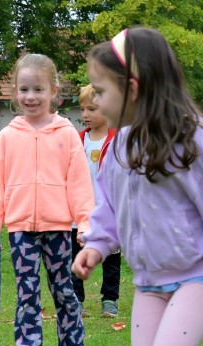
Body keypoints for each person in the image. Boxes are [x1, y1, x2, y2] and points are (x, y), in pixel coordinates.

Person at [73, 27, 203, 346]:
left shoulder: (189, 140)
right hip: (149, 282)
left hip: (195, 276)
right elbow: (109, 207)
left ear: (134, 87)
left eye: (100, 90)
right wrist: (97, 245)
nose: (95, 101)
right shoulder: (119, 145)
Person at [0, 53, 94, 346]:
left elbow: (79, 184)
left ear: (54, 91)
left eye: (38, 89)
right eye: (24, 89)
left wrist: (85, 223)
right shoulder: (7, 137)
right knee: (26, 295)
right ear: (15, 92)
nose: (30, 97)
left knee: (64, 291)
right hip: (20, 229)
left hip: (59, 229)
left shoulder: (67, 134)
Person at [70, 84, 120, 318]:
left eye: (92, 109)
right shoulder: (77, 140)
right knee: (75, 256)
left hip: (108, 212)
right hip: (79, 213)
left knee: (111, 258)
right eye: (82, 109)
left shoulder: (118, 140)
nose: (85, 114)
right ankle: (76, 300)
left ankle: (110, 300)